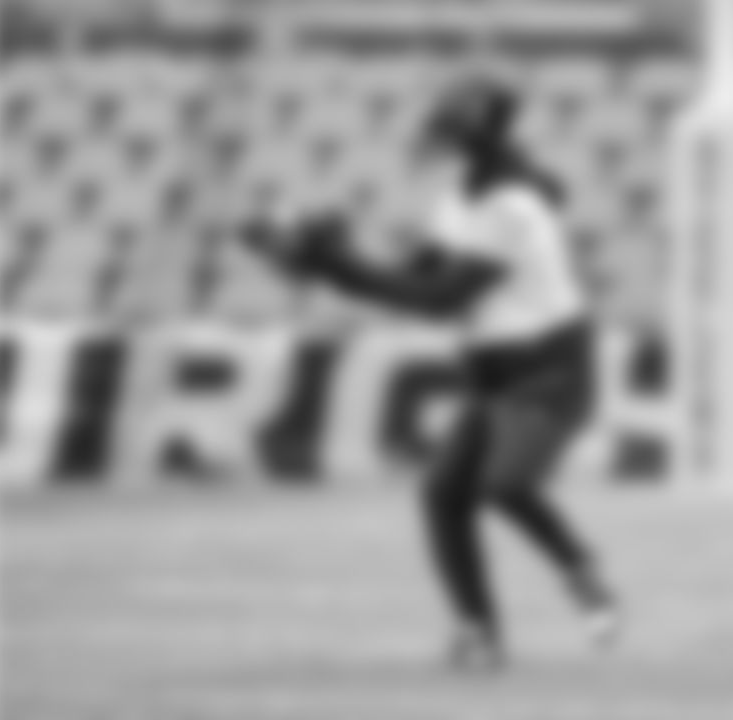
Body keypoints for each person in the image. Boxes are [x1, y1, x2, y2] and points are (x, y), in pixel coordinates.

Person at [239, 77, 619, 668]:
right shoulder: (461, 196)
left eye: (449, 130)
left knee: (505, 483)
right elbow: (413, 276)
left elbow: (441, 299)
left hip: (551, 364)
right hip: (495, 369)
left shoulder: (512, 207)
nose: (437, 141)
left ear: (476, 136)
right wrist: (324, 261)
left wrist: (335, 262)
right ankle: (478, 631)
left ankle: (582, 574)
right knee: (444, 494)